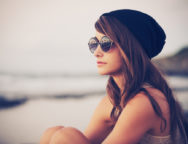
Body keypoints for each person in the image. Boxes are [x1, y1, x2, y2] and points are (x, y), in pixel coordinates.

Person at [40, 9, 188, 144]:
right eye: (94, 43)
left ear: (130, 48)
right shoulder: (112, 101)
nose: (97, 52)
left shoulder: (145, 102)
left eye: (105, 43)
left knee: (64, 136)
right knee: (53, 133)